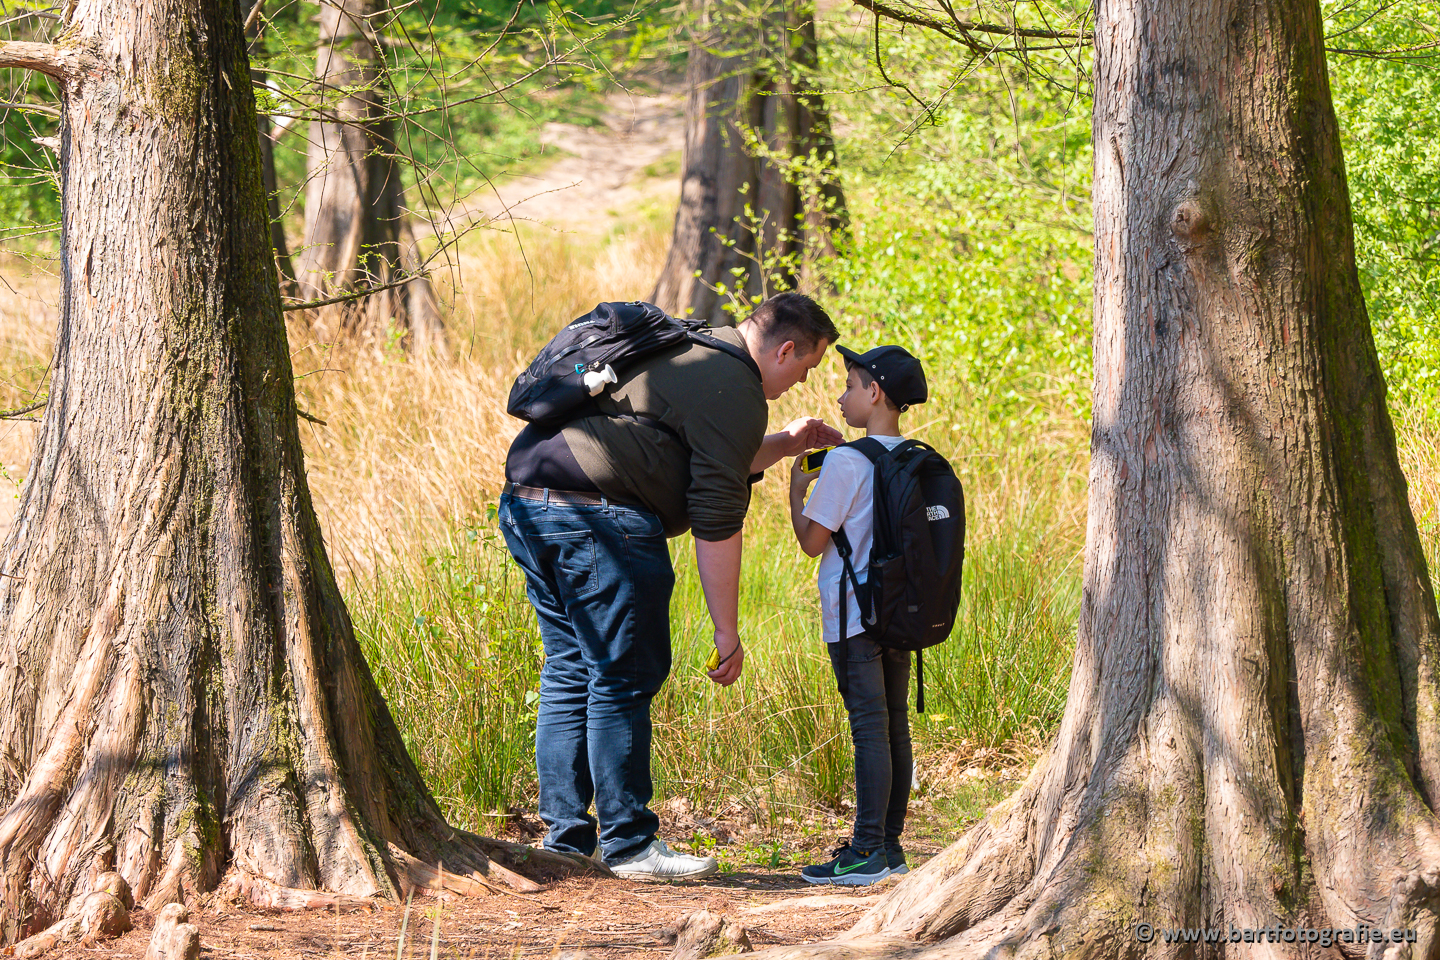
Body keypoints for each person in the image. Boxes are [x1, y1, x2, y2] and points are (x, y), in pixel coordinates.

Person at [499, 293, 843, 881]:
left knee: (571, 671)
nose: (800, 381)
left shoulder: (690, 348)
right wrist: (727, 631)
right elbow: (717, 517)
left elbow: (700, 450)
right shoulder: (734, 386)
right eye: (806, 367)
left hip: (531, 504)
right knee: (624, 674)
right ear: (785, 350)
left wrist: (787, 443)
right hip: (599, 519)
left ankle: (566, 840)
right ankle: (629, 844)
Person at [787, 344, 929, 885]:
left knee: (868, 728)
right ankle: (889, 847)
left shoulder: (847, 462)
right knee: (894, 724)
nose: (842, 397)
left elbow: (811, 541)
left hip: (853, 615)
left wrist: (797, 490)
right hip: (898, 613)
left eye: (849, 386)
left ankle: (867, 850)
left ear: (874, 393)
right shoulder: (914, 457)